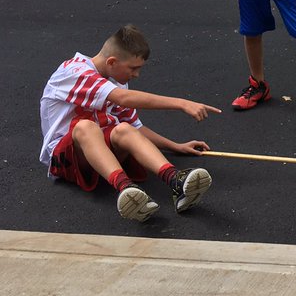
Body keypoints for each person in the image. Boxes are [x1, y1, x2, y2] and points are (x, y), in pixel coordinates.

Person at [39, 25, 219, 222]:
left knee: (123, 128)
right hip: (66, 160)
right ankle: (126, 188)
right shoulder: (73, 72)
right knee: (85, 126)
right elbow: (123, 98)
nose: (136, 75)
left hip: (102, 155)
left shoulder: (116, 80)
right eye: (133, 68)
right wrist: (182, 103)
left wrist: (175, 146)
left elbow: (136, 128)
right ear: (112, 62)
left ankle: (176, 180)